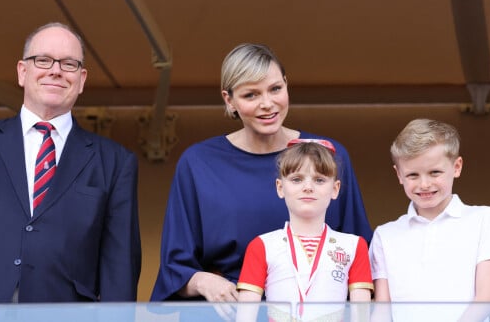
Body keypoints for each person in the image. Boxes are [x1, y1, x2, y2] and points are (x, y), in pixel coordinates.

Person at [0, 22, 141, 303]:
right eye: (43, 60)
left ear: (81, 79)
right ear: (22, 71)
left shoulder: (116, 161)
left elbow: (120, 267)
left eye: (68, 64)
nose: (55, 70)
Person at [151, 43, 372, 303]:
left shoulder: (327, 155)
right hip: (230, 311)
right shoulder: (198, 163)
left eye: (275, 89)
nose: (267, 104)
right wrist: (202, 281)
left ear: (287, 85)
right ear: (229, 100)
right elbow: (175, 267)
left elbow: (362, 256)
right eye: (251, 95)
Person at [369, 118, 490, 321]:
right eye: (412, 175)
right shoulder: (385, 235)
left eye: (435, 172)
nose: (424, 184)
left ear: (457, 167)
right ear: (399, 175)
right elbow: (383, 310)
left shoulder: (485, 220)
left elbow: (485, 299)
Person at [236, 139, 372, 322]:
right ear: (280, 187)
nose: (308, 187)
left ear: (335, 188)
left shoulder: (354, 246)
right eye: (297, 179)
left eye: (319, 180)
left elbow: (361, 316)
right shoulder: (261, 245)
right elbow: (245, 317)